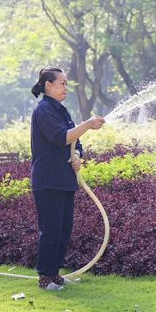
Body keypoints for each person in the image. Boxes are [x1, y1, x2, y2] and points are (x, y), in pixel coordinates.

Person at [30, 67, 105, 290]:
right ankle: (45, 276)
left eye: (66, 83)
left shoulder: (61, 111)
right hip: (48, 180)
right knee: (51, 229)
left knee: (63, 229)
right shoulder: (43, 110)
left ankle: (55, 273)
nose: (66, 88)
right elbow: (60, 137)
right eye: (62, 83)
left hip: (64, 180)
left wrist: (78, 156)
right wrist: (88, 124)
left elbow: (75, 141)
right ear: (48, 85)